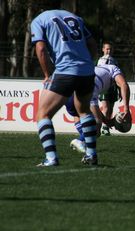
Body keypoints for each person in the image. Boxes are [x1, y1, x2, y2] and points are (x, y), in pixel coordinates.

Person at [31, 9, 98, 166]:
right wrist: (88, 63)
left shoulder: (39, 20)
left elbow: (40, 49)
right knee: (84, 111)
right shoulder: (75, 17)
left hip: (65, 72)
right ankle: (91, 155)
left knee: (43, 114)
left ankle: (51, 158)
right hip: (87, 72)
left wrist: (48, 74)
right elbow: (92, 44)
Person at [67, 64, 131, 153]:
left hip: (70, 86)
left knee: (77, 114)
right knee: (96, 126)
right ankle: (80, 140)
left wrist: (107, 121)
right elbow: (124, 84)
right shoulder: (114, 69)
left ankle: (82, 142)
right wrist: (127, 110)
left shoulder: (100, 70)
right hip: (87, 89)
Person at [97, 42, 118, 136]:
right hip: (104, 86)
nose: (109, 51)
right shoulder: (101, 60)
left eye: (110, 49)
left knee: (110, 108)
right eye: (107, 49)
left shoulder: (114, 60)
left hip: (112, 87)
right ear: (103, 49)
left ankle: (105, 127)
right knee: (105, 107)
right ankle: (101, 127)